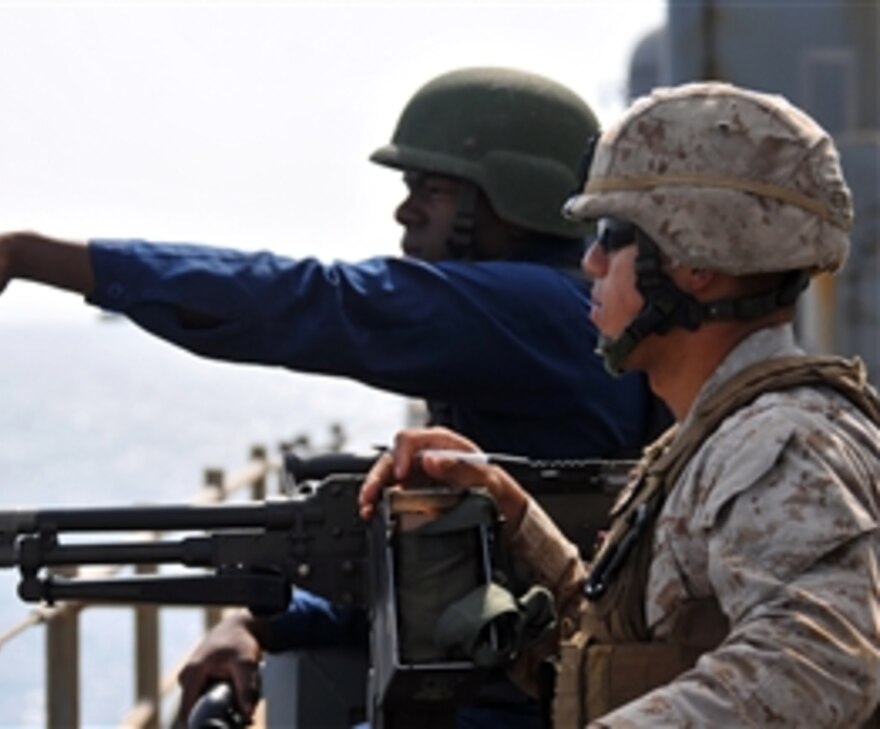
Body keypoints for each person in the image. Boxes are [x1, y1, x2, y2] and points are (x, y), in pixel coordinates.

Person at [0, 68, 664, 725]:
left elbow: (304, 302)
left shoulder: (523, 309)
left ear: (507, 199)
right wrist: (265, 620)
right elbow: (452, 578)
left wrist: (29, 257)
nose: (404, 207)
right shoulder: (545, 316)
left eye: (434, 188)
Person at [360, 81, 880, 728]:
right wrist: (510, 507)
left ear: (694, 262)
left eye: (614, 234)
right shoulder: (713, 437)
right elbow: (635, 651)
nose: (592, 260)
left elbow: (818, 665)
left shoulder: (780, 443)